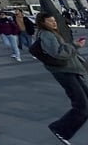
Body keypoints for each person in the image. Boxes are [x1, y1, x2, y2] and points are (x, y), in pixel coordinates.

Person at [36, 12, 88, 144]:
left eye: (54, 21)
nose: (54, 23)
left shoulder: (53, 33)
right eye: (50, 21)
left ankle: (62, 128)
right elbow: (59, 53)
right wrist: (75, 45)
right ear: (43, 23)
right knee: (81, 105)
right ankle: (60, 129)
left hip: (71, 69)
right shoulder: (46, 35)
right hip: (64, 72)